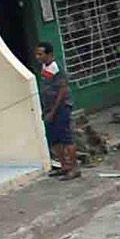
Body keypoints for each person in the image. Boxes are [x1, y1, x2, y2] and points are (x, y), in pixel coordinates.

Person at [35, 49, 78, 179]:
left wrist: (53, 111)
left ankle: (74, 168)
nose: (37, 57)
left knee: (66, 138)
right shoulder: (44, 68)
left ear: (49, 55)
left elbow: (63, 90)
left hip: (61, 108)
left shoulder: (56, 68)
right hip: (49, 108)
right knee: (54, 139)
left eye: (40, 54)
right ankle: (64, 166)